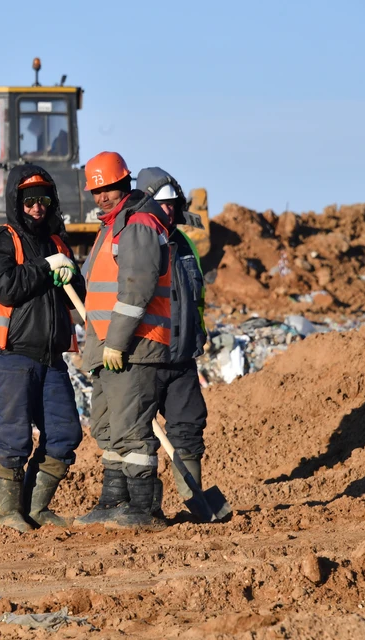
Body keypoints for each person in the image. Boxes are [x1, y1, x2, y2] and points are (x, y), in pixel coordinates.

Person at [0, 164, 86, 533]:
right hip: (10, 354)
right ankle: (7, 514)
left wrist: (71, 273)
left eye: (44, 200)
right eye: (30, 200)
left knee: (65, 433)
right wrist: (45, 267)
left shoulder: (58, 243)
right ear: (16, 202)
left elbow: (77, 297)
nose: (38, 207)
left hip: (50, 358)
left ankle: (35, 509)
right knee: (13, 436)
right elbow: (7, 286)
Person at [75, 151, 174, 531]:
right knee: (108, 427)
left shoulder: (138, 225)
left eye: (110, 188)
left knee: (131, 429)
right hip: (107, 347)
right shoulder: (111, 228)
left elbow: (137, 289)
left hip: (134, 346)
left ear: (125, 184)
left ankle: (143, 508)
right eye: (96, 191)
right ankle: (113, 500)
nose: (102, 196)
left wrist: (116, 341)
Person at [136, 167, 210, 520]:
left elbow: (197, 296)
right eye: (162, 205)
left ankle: (194, 501)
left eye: (172, 205)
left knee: (188, 426)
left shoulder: (184, 243)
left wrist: (200, 331)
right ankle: (146, 508)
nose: (169, 211)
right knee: (139, 438)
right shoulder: (138, 241)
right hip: (147, 358)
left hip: (181, 357)